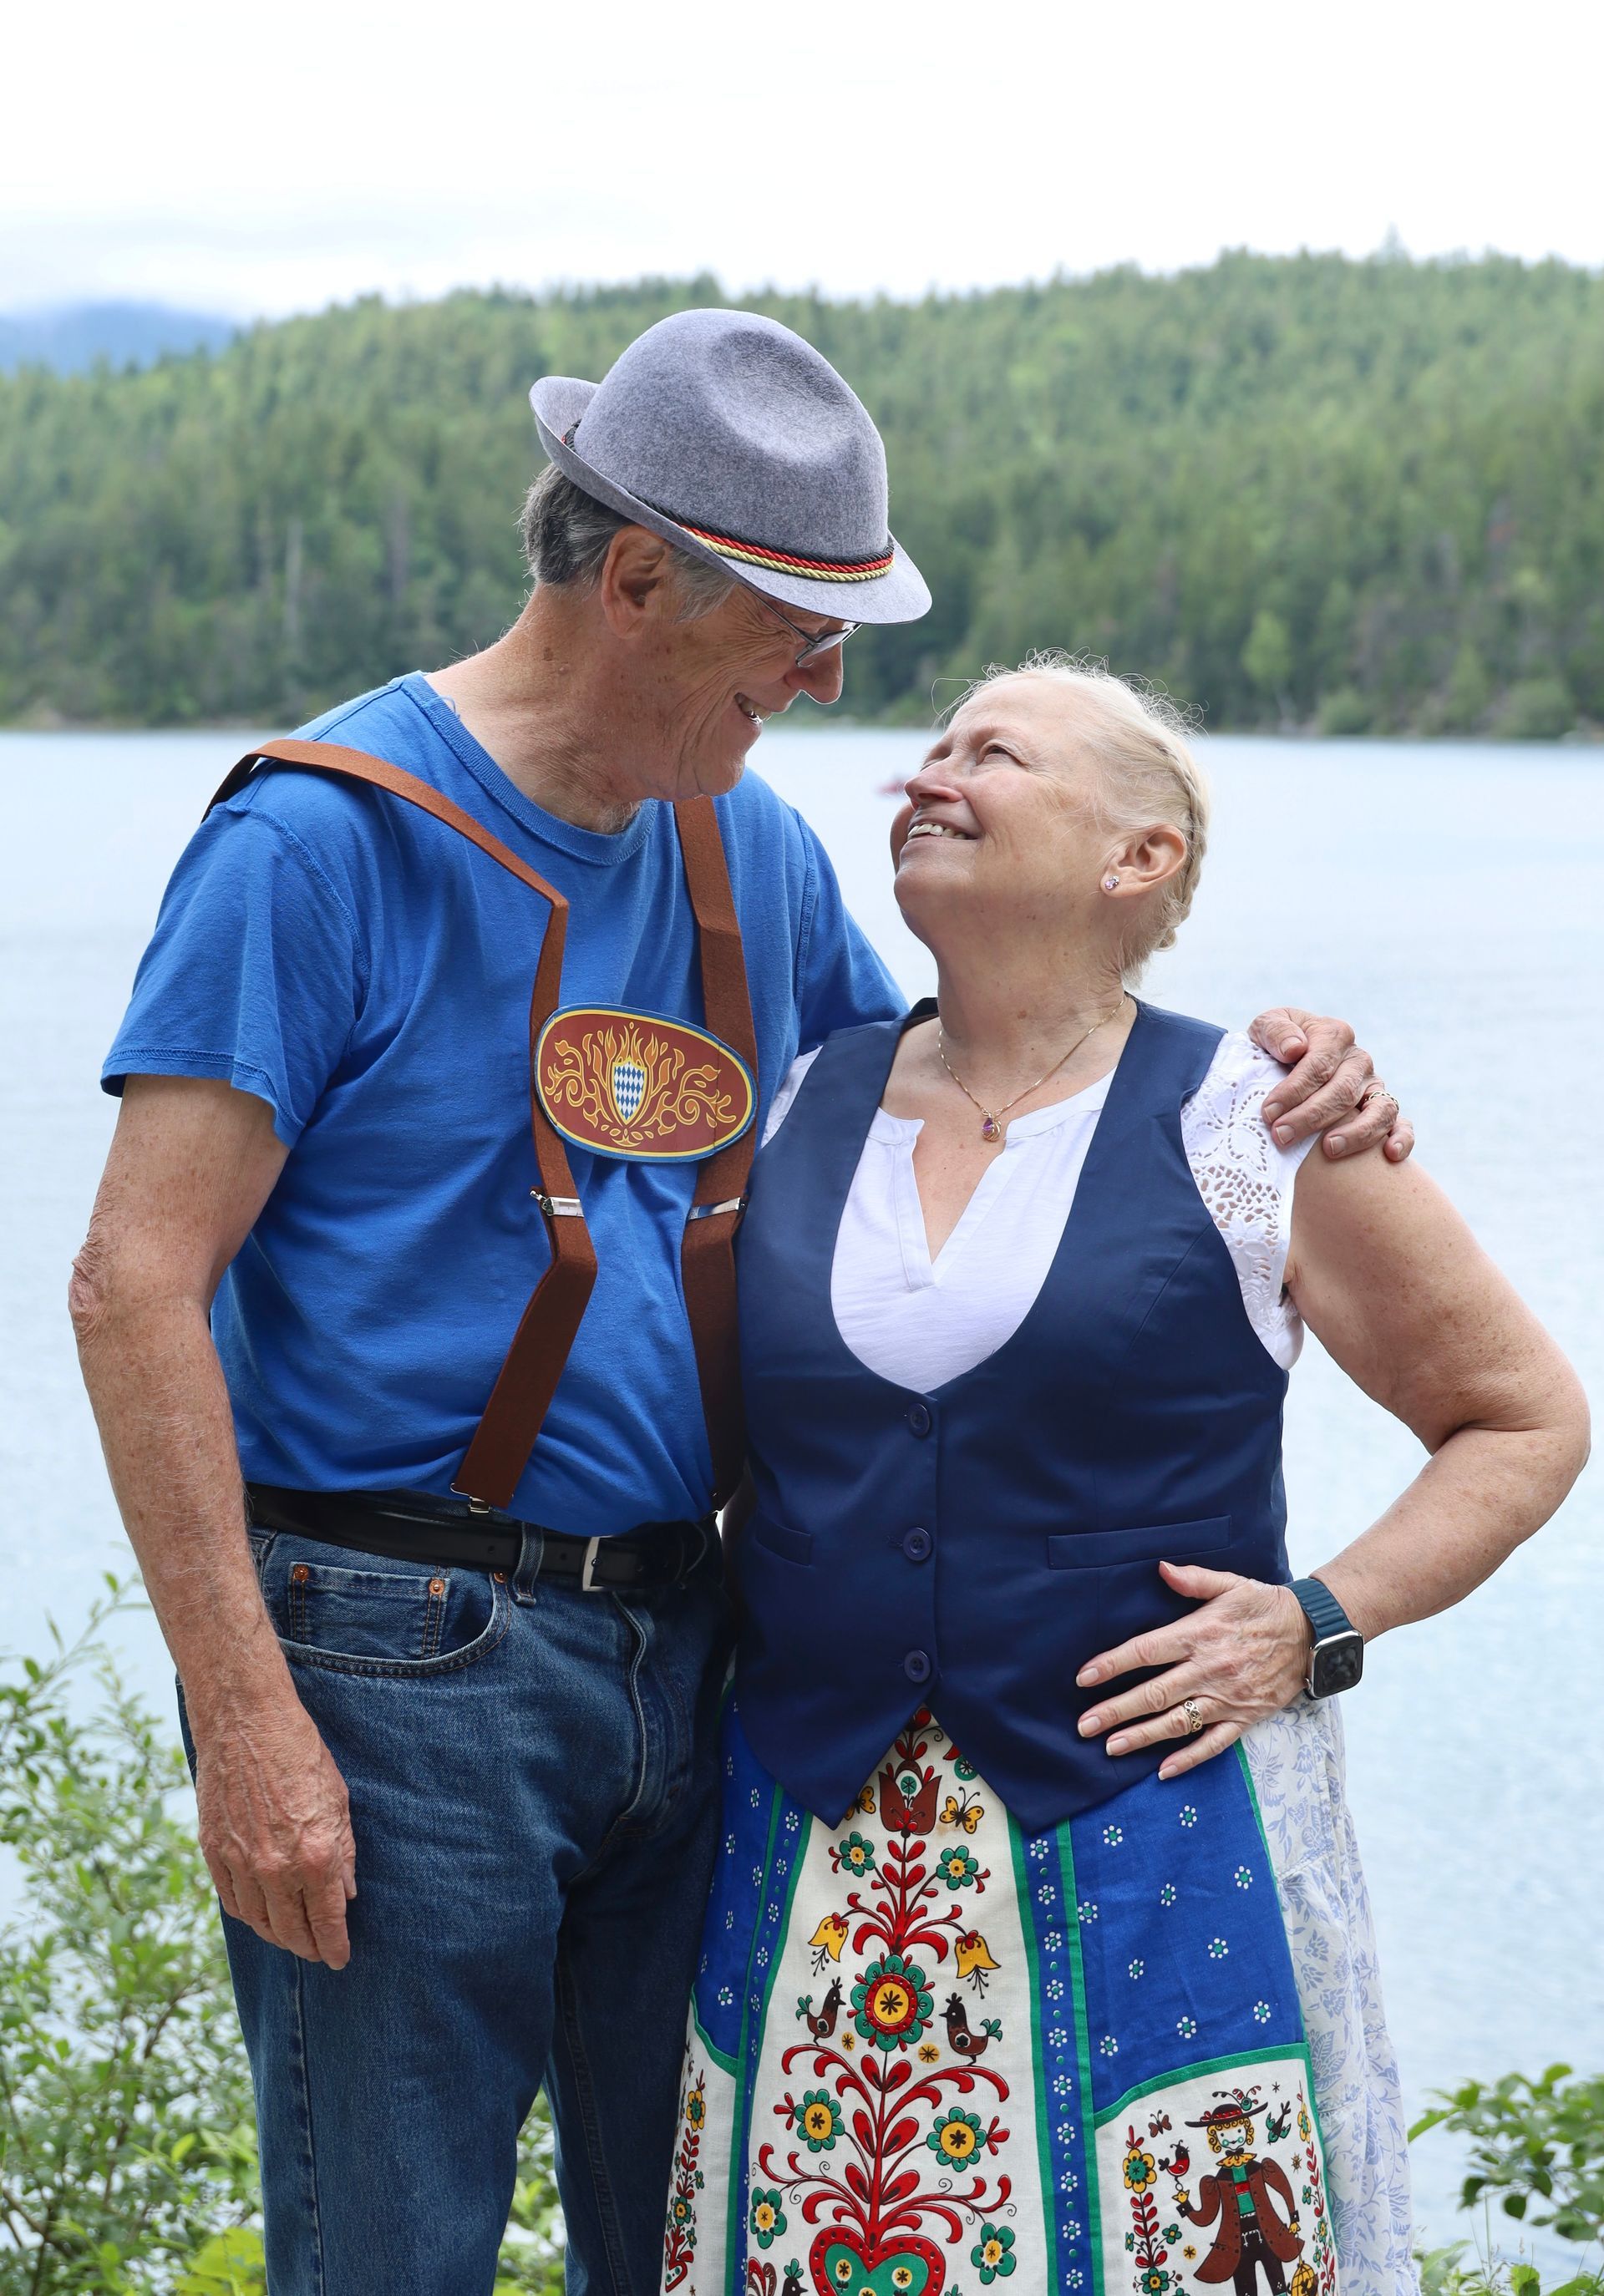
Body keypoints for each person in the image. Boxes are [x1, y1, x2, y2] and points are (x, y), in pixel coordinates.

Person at [69, 311, 1407, 2296]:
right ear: (633, 583)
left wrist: (1288, 1073)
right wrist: (248, 1725)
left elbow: (976, 1112)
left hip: (707, 1659)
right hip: (391, 1652)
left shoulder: (749, 853)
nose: (832, 681)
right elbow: (130, 1288)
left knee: (704, 2244)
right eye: (798, 624)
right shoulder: (320, 840)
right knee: (391, 2260)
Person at [665, 658, 1588, 2296]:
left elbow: (1523, 1422)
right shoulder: (805, 1095)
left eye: (993, 754)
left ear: (1137, 857)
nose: (928, 777)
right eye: (930, 749)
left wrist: (1313, 1624)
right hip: (823, 1868)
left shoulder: (1251, 1117)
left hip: (1158, 1846)